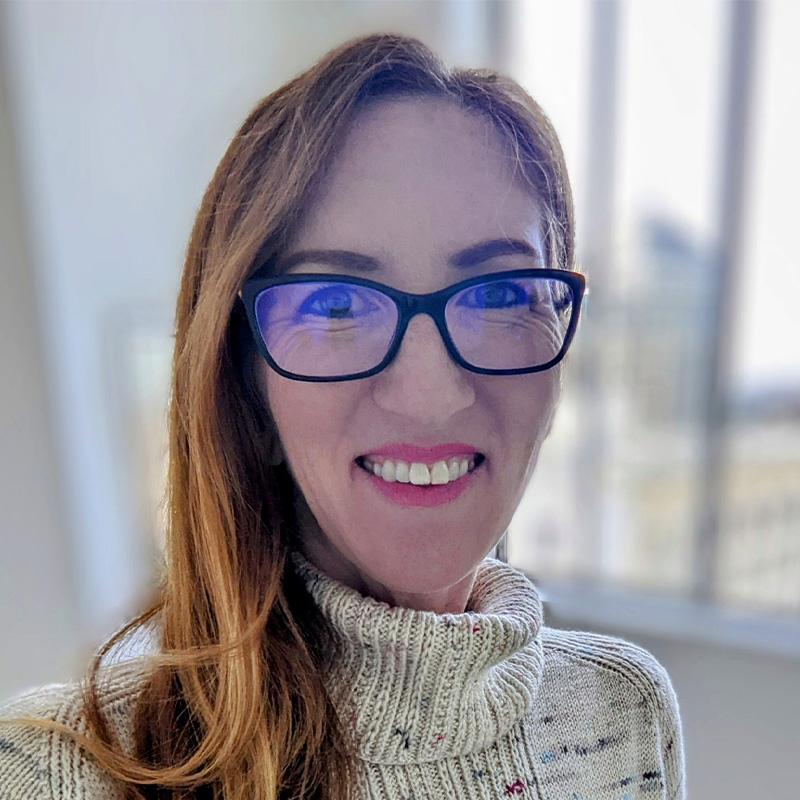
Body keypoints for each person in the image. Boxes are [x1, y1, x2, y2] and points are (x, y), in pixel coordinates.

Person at [0, 32, 686, 800]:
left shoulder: (623, 712)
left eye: (498, 294)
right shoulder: (57, 774)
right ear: (247, 386)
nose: (433, 393)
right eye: (334, 303)